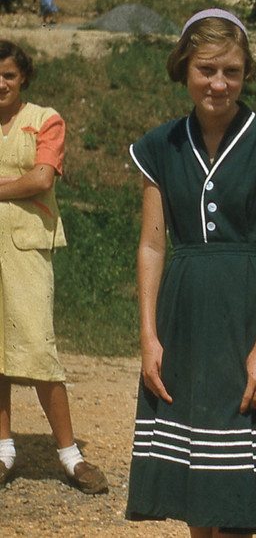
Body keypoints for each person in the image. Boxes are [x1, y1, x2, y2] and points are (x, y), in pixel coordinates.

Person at [125, 9, 256, 536]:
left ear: (247, 71)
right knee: (196, 480)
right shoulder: (159, 146)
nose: (218, 82)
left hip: (252, 317)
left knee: (239, 489)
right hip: (185, 320)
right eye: (206, 69)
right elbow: (151, 246)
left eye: (231, 70)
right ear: (184, 68)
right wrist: (148, 336)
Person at [0, 40, 107, 494]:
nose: (0, 83)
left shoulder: (45, 119)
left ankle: (70, 456)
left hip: (25, 249)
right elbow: (26, 182)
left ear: (23, 77)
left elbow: (42, 178)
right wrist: (14, 184)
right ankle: (3, 450)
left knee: (39, 346)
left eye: (7, 74)